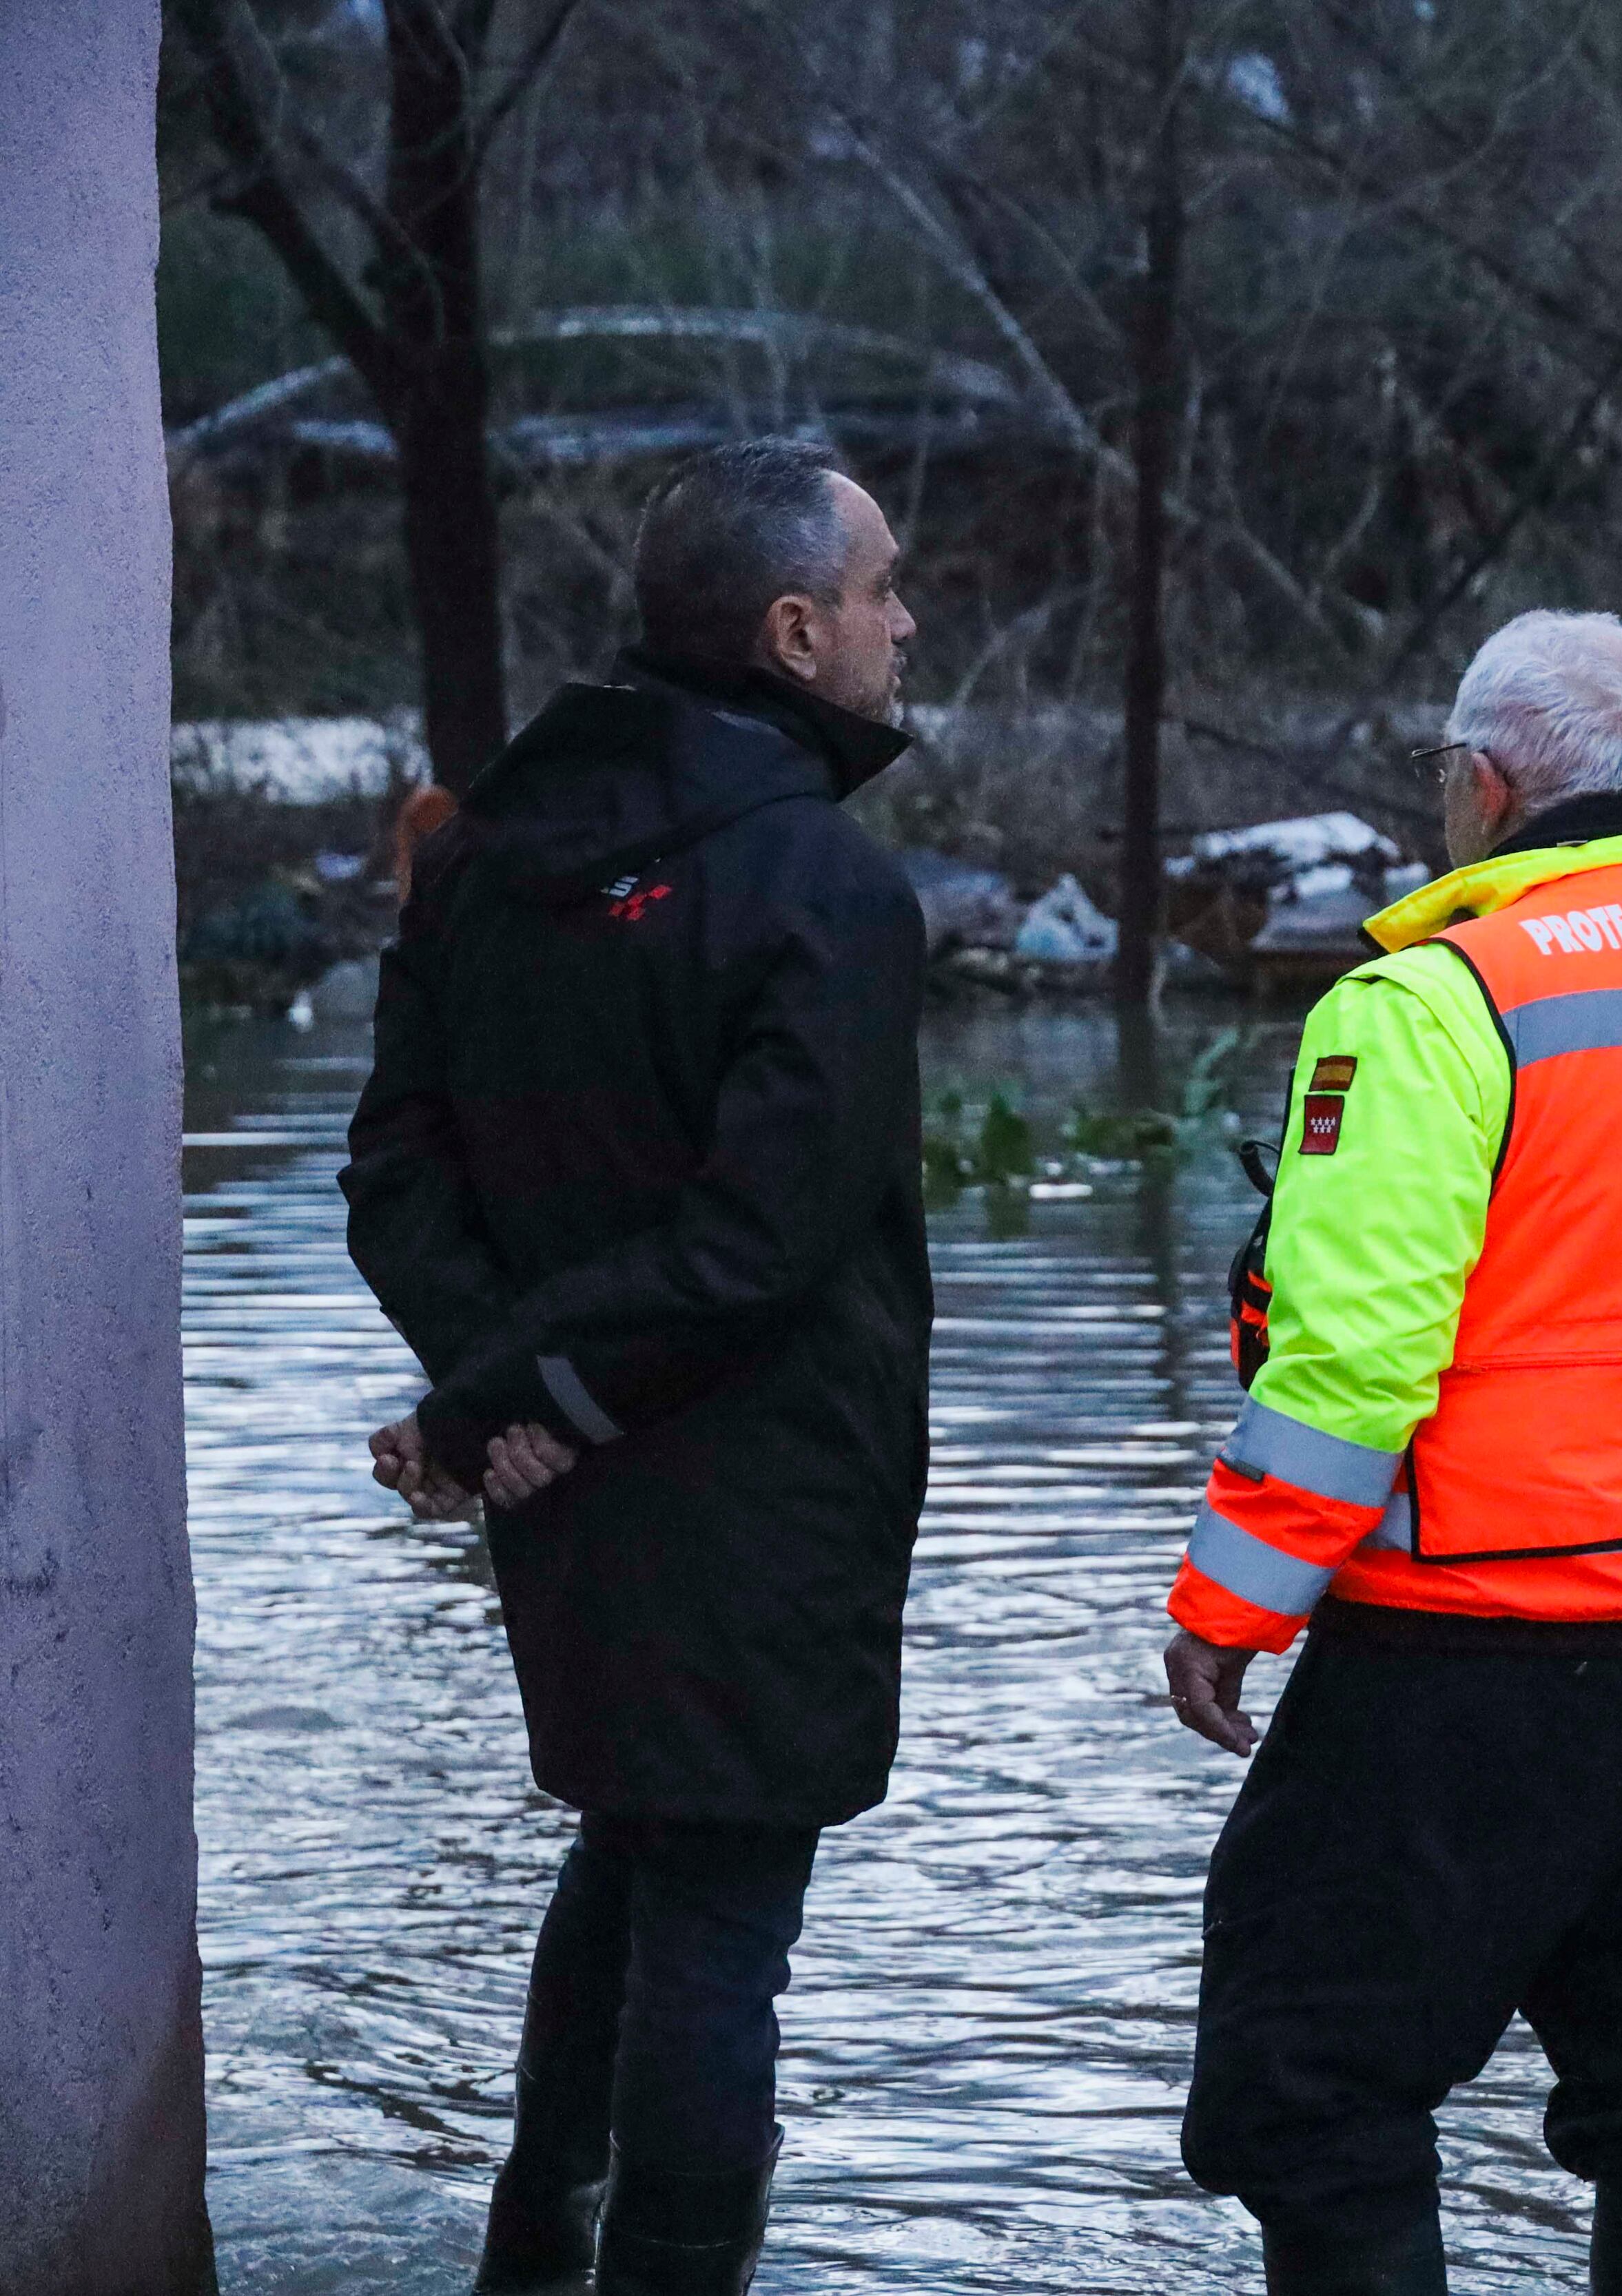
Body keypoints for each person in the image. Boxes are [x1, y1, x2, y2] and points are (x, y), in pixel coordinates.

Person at [1161, 610, 1622, 2295]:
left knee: (1316, 2077)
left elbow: (1352, 1362)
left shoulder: (1427, 1005)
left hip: (1461, 1655)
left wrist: (1231, 1604)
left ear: (1484, 787)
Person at [343, 436, 932, 2296]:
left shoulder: (487, 850)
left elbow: (396, 1174)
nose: (901, 622)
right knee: (721, 1912)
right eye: (876, 592)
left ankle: (536, 2262)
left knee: (633, 1852)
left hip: (569, 1480)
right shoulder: (824, 885)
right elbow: (761, 1246)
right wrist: (516, 1401)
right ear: (788, 631)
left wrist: (502, 1397)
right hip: (756, 1490)